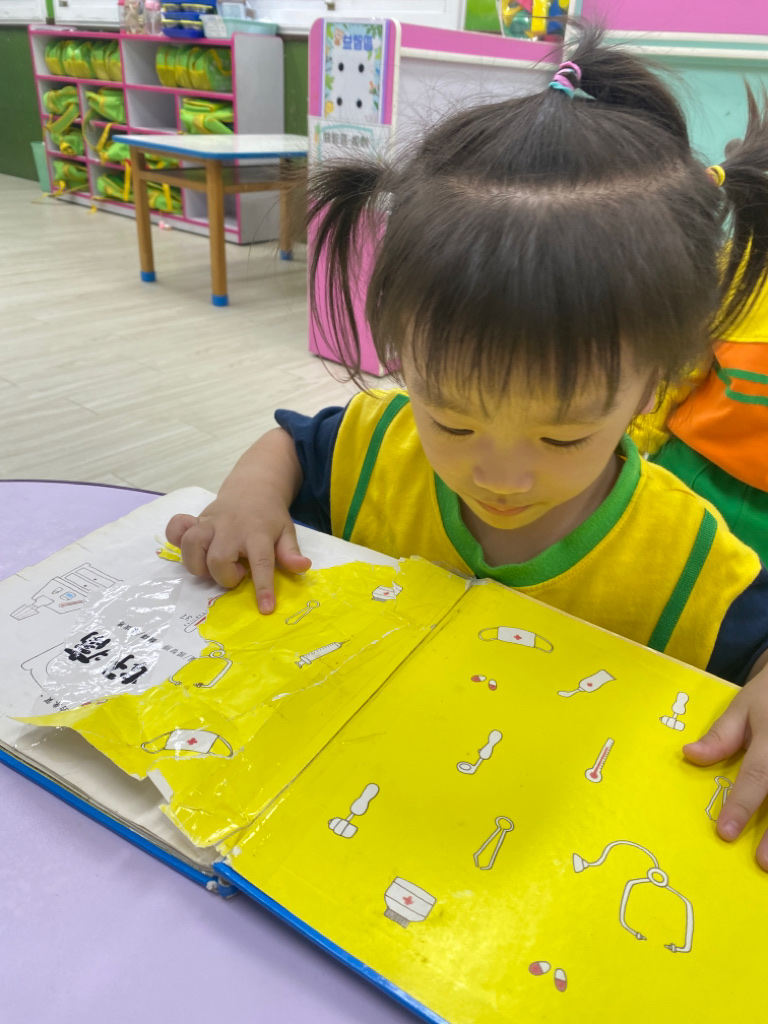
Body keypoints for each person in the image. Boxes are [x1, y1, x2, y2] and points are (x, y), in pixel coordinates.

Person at [167, 26, 768, 866]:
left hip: (527, 845)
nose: (501, 475)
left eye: (562, 434)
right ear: (404, 360)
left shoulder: (687, 557)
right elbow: (296, 447)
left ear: (654, 387)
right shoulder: (383, 447)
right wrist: (247, 498)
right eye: (451, 418)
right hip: (343, 809)